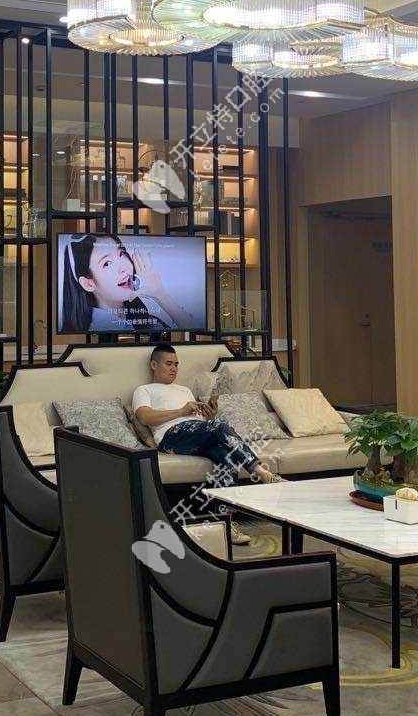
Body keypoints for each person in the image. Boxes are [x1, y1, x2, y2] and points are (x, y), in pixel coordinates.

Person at [133, 344, 284, 546]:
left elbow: (198, 422)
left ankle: (226, 524)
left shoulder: (184, 390)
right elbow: (144, 417)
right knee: (219, 427)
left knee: (227, 460)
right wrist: (181, 411)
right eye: (169, 364)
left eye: (176, 364)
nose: (174, 369)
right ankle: (262, 473)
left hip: (197, 432)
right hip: (171, 436)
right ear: (154, 365)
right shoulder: (144, 390)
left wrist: (209, 416)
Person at [61, 234, 198, 334]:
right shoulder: (92, 330)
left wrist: (160, 294)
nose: (124, 268)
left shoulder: (144, 321)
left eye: (121, 254)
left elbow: (194, 330)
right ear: (88, 284)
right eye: (107, 263)